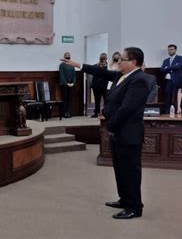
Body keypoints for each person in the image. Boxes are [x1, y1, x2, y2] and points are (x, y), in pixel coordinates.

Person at [62, 47, 150, 220]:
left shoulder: (139, 80)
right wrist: (78, 65)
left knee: (130, 171)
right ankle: (124, 199)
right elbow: (99, 71)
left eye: (121, 60)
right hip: (119, 132)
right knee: (120, 168)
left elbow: (127, 109)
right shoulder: (122, 75)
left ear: (133, 62)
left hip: (128, 133)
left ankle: (134, 207)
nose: (118, 62)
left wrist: (111, 124)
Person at [160, 44, 182, 113]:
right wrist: (172, 68)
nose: (170, 51)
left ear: (175, 50)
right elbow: (162, 70)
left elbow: (178, 67)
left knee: (175, 95)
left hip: (176, 80)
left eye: (171, 50)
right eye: (169, 50)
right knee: (167, 96)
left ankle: (177, 110)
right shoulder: (166, 60)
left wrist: (167, 68)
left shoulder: (181, 58)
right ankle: (167, 111)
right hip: (167, 81)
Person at [91, 53, 109, 117]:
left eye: (104, 57)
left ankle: (106, 112)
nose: (103, 59)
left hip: (105, 86)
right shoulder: (96, 65)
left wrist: (104, 66)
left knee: (106, 100)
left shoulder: (108, 66)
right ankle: (96, 113)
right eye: (102, 57)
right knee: (97, 100)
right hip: (96, 85)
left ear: (106, 58)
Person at [59, 52, 75, 118]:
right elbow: (62, 75)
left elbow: (74, 75)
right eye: (66, 55)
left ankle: (69, 112)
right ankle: (64, 112)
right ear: (64, 57)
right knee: (65, 98)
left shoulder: (72, 65)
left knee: (70, 98)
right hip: (64, 83)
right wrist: (66, 83)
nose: (68, 56)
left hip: (71, 83)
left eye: (69, 55)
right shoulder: (62, 65)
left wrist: (73, 82)